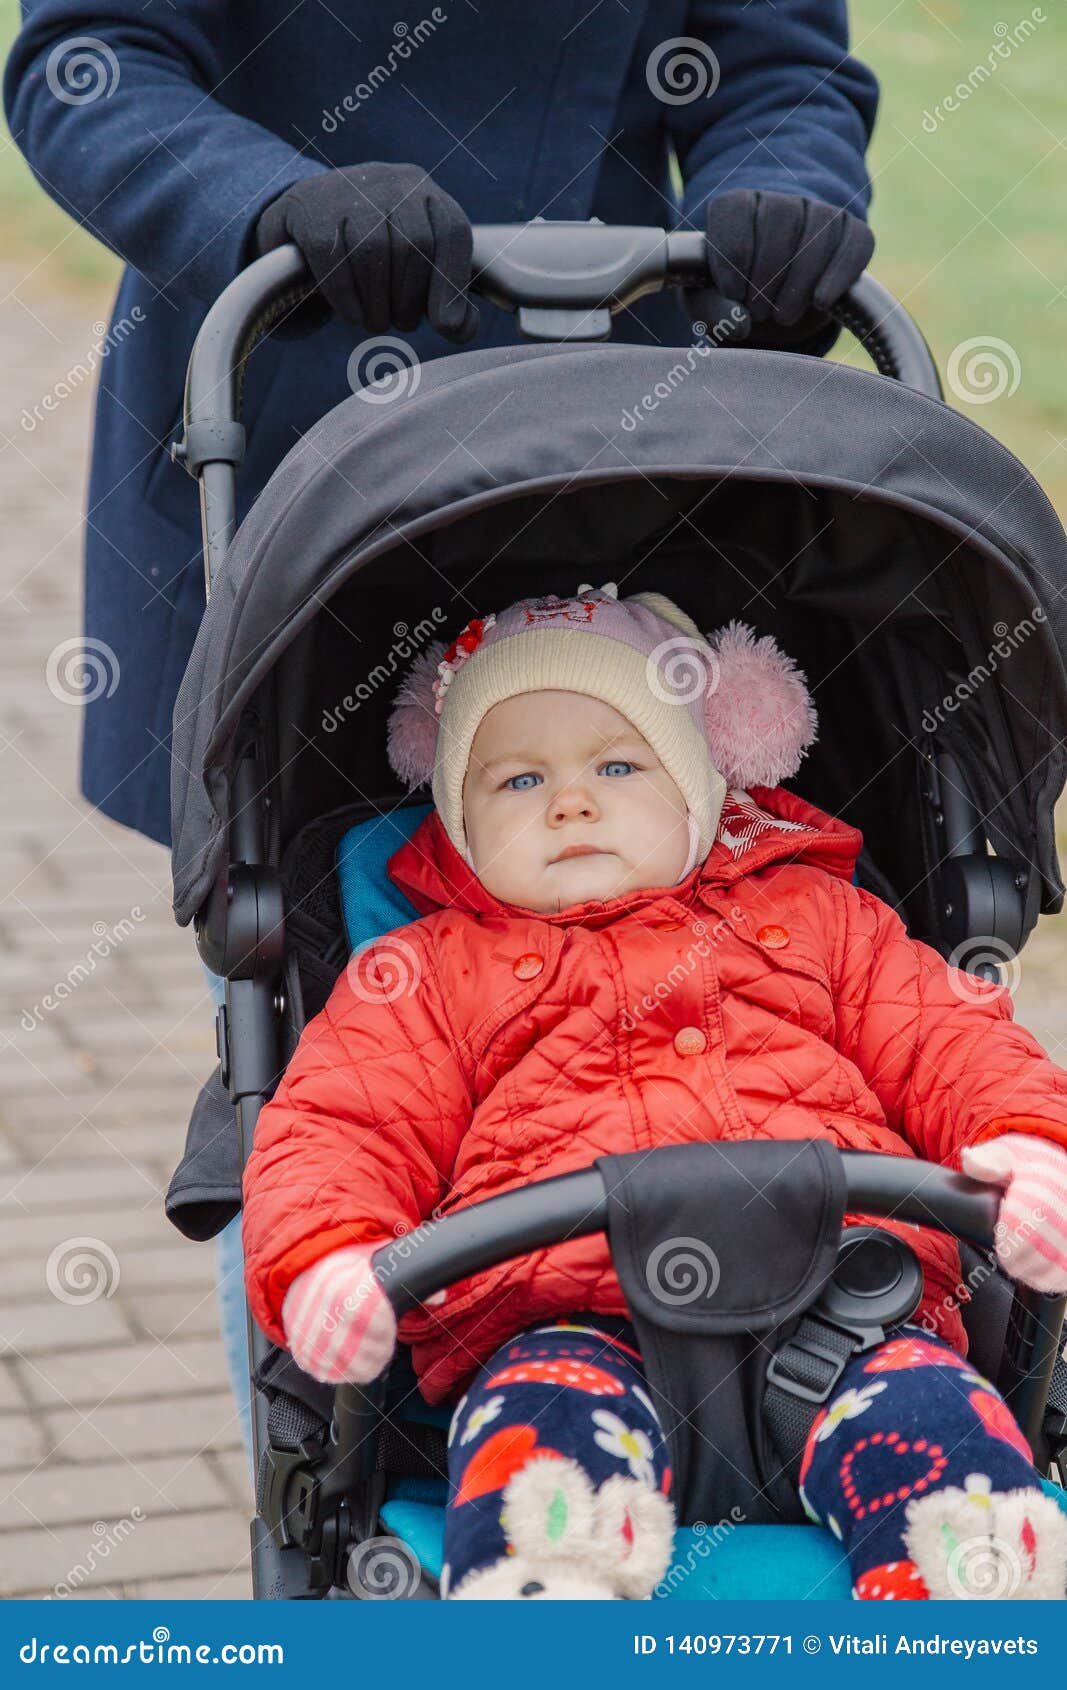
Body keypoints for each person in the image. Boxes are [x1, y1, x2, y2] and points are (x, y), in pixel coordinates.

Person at [4, 0, 879, 1473]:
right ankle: (332, 1472)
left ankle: (678, 1424)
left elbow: (770, 61)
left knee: (672, 942)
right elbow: (88, 60)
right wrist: (262, 200)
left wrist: (775, 199)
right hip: (282, 413)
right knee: (304, 1015)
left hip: (614, 436)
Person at [242, 584, 1067, 1600]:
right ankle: (550, 1589)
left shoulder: (817, 916)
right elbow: (339, 1119)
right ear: (455, 823)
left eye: (618, 765)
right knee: (536, 1440)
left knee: (935, 1423)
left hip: (846, 1308)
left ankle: (967, 1587)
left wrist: (1023, 1143)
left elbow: (947, 1036)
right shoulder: (425, 969)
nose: (568, 800)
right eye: (515, 780)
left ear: (703, 790)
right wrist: (325, 1252)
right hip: (560, 1318)